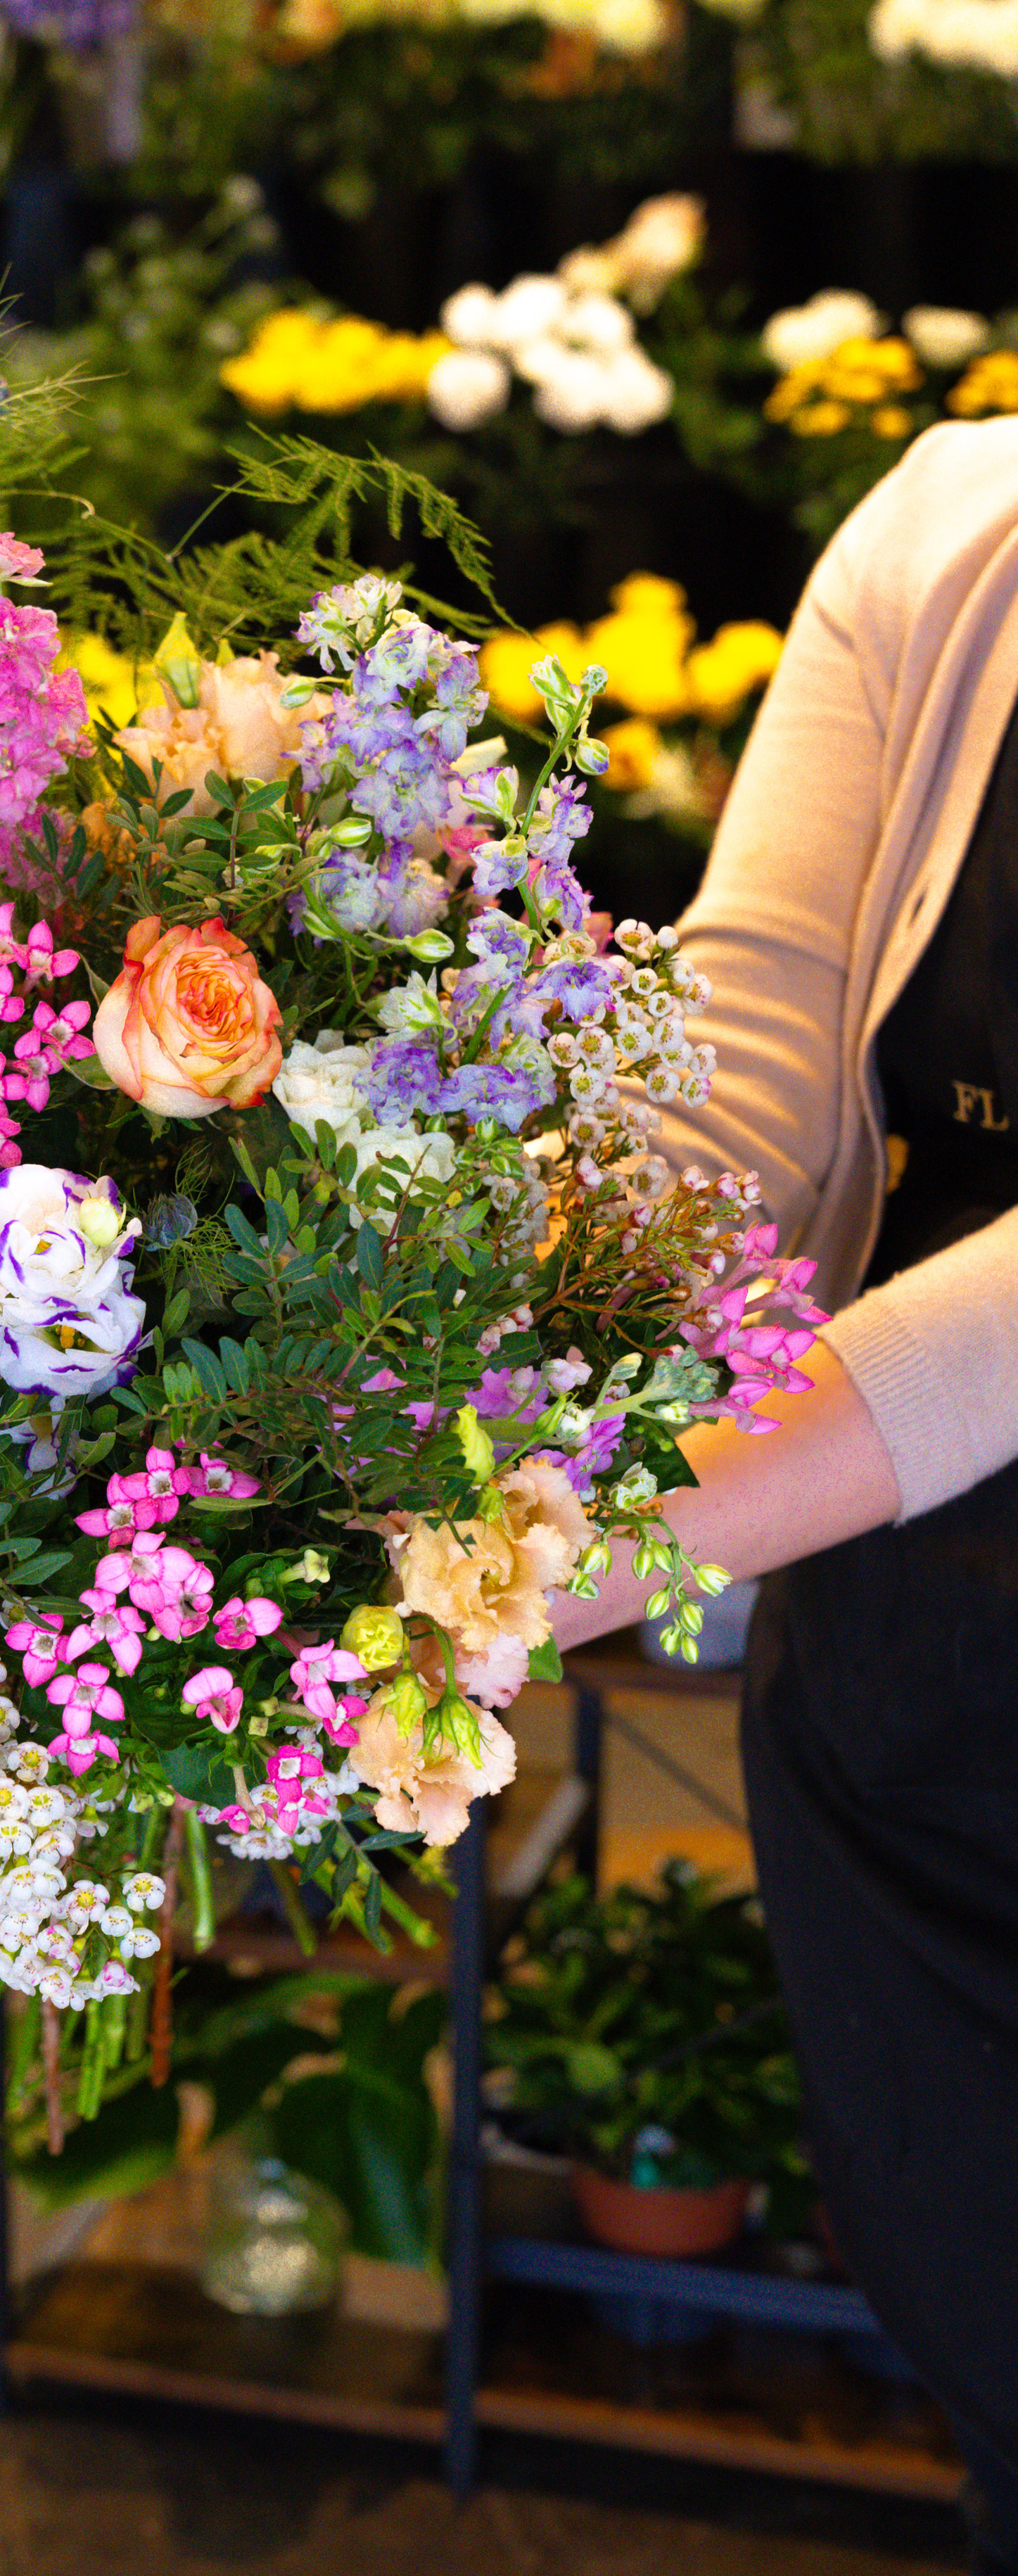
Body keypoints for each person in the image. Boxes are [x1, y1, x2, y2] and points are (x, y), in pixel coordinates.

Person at [547, 417, 1018, 2568]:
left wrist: (524, 1562)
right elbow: (738, 1105)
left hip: (858, 1482)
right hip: (928, 1748)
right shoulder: (956, 527)